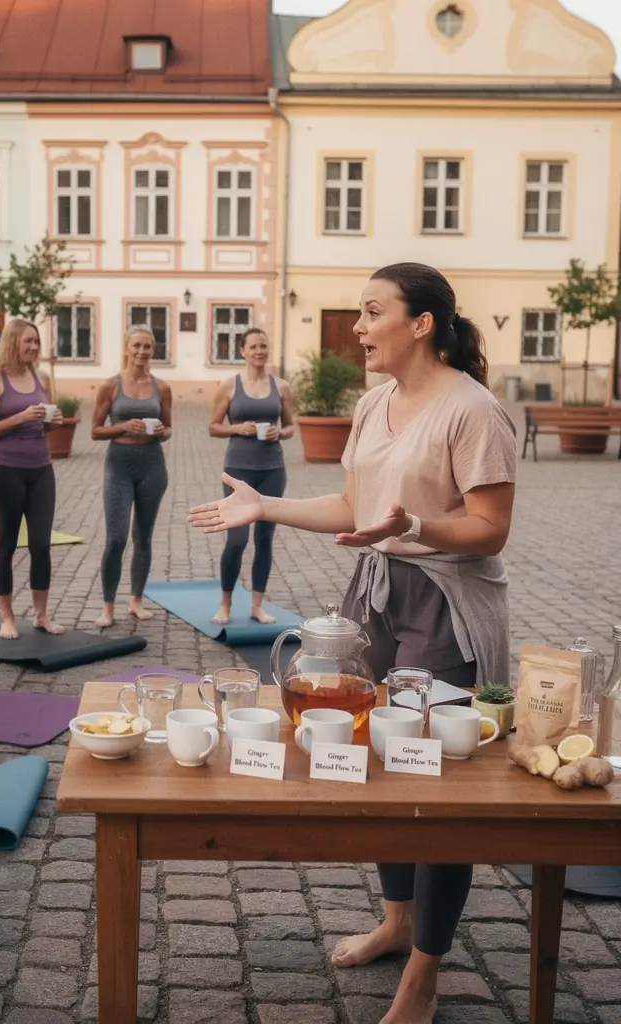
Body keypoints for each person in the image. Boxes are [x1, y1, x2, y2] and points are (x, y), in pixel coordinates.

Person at [189, 262, 516, 1024]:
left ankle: (425, 975)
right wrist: (265, 507)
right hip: (374, 592)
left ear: (421, 322)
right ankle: (398, 922)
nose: (359, 328)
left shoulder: (472, 410)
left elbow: (490, 526)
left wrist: (415, 527)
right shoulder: (376, 404)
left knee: (434, 784)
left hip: (445, 602)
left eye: (372, 313)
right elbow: (352, 504)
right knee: (373, 752)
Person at [0, 318, 64, 640]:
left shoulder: (40, 377)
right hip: (5, 472)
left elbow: (47, 424)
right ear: (13, 342)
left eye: (37, 342)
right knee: (7, 544)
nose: (34, 347)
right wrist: (21, 417)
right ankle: (7, 617)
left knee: (41, 544)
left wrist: (55, 420)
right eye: (28, 341)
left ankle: (41, 615)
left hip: (41, 470)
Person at [208, 327, 294, 625]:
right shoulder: (229, 386)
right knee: (236, 540)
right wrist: (237, 428)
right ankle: (225, 604)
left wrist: (279, 432)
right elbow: (213, 426)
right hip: (238, 471)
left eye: (263, 346)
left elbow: (291, 426)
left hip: (272, 470)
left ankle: (257, 606)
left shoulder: (281, 386)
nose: (259, 351)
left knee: (265, 538)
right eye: (254, 347)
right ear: (242, 351)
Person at [90, 327, 172, 627]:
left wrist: (162, 432)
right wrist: (125, 428)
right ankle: (108, 606)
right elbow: (95, 431)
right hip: (119, 464)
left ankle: (136, 600)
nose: (142, 351)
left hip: (152, 465)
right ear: (126, 348)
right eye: (136, 345)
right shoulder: (110, 386)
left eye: (147, 347)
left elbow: (169, 427)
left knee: (144, 538)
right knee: (116, 539)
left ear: (153, 350)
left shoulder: (162, 388)